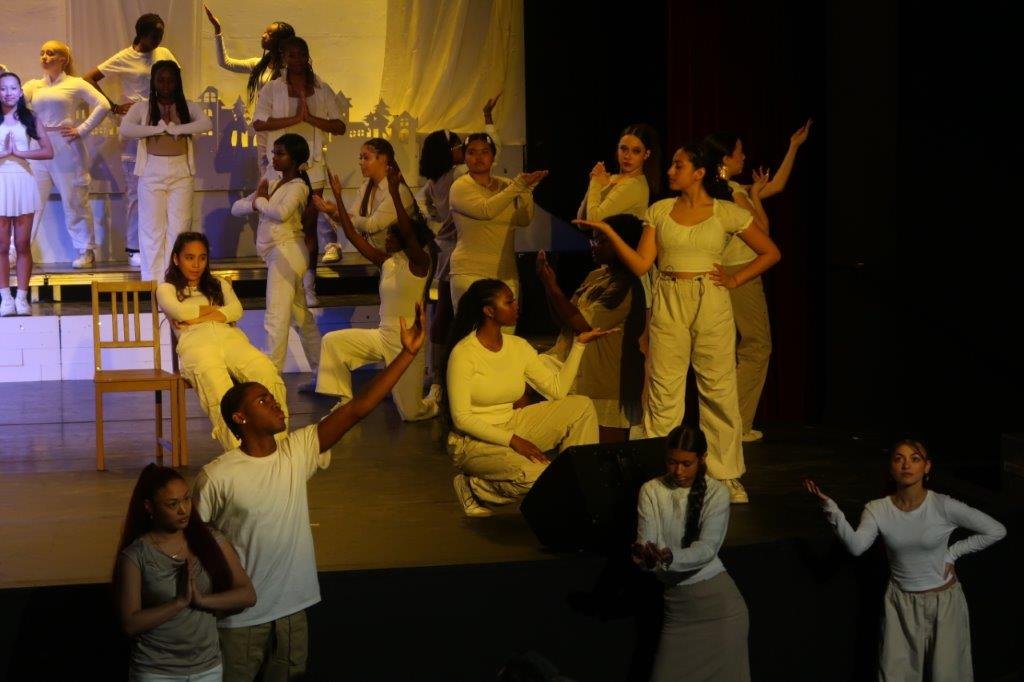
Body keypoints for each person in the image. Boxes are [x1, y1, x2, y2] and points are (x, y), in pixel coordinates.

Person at [192, 301, 428, 679]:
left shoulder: (297, 451)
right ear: (240, 418)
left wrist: (407, 354)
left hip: (292, 610)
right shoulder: (218, 476)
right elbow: (191, 539)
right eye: (262, 401)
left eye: (272, 396)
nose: (275, 403)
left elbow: (357, 409)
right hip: (242, 618)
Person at [574, 141, 782, 503]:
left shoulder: (725, 212)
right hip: (669, 297)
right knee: (663, 389)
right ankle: (662, 470)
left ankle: (726, 474)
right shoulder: (660, 211)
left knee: (718, 389)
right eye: (672, 165)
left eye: (678, 165)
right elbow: (641, 264)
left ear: (699, 173)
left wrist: (735, 280)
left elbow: (771, 252)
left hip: (710, 299)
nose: (670, 171)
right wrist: (608, 234)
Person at [805, 439, 1006, 681]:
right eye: (899, 458)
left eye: (915, 458)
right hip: (900, 604)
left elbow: (996, 530)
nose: (906, 465)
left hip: (943, 605)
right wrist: (831, 509)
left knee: (949, 676)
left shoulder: (943, 505)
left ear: (927, 467)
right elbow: (856, 547)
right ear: (891, 468)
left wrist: (953, 553)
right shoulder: (877, 509)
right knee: (895, 676)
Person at [443, 278, 607, 517]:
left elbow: (557, 390)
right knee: (541, 477)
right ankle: (474, 486)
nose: (516, 306)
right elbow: (461, 419)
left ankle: (574, 487)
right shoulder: (464, 354)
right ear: (489, 311)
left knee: (581, 406)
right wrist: (513, 440)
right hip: (472, 440)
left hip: (511, 424)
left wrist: (579, 345)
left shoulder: (518, 346)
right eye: (509, 302)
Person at [704, 120, 812, 442]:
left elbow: (776, 185)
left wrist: (793, 146)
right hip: (742, 275)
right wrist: (757, 200)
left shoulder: (720, 189)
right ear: (725, 158)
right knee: (757, 347)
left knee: (739, 348)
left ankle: (731, 423)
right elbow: (763, 235)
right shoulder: (734, 194)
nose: (744, 157)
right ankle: (734, 424)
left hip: (731, 273)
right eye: (739, 152)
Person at [313, 166, 439, 420]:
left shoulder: (419, 263)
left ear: (404, 238)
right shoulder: (387, 262)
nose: (387, 240)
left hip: (407, 344)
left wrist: (394, 191)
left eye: (392, 237)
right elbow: (351, 234)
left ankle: (434, 400)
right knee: (332, 342)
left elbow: (406, 229)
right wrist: (337, 197)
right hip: (383, 336)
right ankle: (345, 401)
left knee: (411, 414)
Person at [114, 463, 256, 681]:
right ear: (149, 507)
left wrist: (202, 600)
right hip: (157, 671)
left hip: (207, 668)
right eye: (173, 504)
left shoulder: (210, 540)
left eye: (187, 499)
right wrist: (179, 603)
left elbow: (247, 594)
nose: (184, 509)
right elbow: (130, 623)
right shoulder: (136, 555)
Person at [634, 425, 750, 681]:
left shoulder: (717, 493)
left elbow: (707, 549)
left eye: (687, 463)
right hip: (677, 611)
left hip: (719, 610)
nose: (678, 471)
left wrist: (670, 557)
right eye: (672, 462)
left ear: (703, 458)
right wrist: (647, 558)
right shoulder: (651, 491)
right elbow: (647, 541)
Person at [157, 231, 288, 450]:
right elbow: (179, 311)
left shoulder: (218, 284)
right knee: (219, 390)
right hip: (197, 345)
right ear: (176, 258)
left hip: (231, 339)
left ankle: (279, 446)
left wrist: (196, 315)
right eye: (189, 257)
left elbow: (236, 310)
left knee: (265, 371)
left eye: (202, 257)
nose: (196, 264)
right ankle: (239, 453)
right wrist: (216, 311)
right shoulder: (166, 289)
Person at [536, 213, 646, 442]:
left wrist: (552, 286)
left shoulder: (626, 286)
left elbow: (583, 326)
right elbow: (564, 320)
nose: (594, 246)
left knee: (603, 454)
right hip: (575, 370)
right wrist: (549, 288)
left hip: (604, 385)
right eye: (593, 240)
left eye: (601, 241)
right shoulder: (597, 275)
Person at [252, 36, 345, 306]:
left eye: (300, 54)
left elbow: (339, 126)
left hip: (312, 164)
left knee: (309, 224)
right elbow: (258, 123)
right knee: (279, 223)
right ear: (284, 58)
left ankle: (308, 286)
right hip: (280, 167)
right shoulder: (272, 89)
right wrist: (294, 119)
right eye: (290, 55)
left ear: (307, 56)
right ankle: (282, 282)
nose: (296, 59)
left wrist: (310, 119)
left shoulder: (321, 88)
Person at [84, 13, 178, 268]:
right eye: (152, 36)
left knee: (164, 188)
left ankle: (161, 245)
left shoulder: (165, 54)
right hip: (135, 129)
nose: (157, 41)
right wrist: (114, 107)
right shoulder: (125, 57)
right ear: (141, 33)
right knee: (136, 191)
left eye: (160, 36)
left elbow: (176, 83)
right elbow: (89, 77)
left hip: (162, 128)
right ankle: (134, 247)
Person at [418, 95, 501, 379]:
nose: (467, 153)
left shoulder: (434, 180)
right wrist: (488, 120)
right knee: (449, 312)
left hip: (443, 246)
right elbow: (492, 150)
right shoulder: (456, 178)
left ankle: (435, 367)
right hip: (455, 246)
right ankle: (443, 370)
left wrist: (434, 226)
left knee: (443, 311)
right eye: (460, 147)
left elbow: (423, 207)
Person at [230, 133, 321, 374]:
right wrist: (258, 201)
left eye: (280, 154)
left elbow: (280, 213)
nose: (274, 158)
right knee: (301, 318)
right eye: (273, 153)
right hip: (279, 254)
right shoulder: (273, 182)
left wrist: (259, 201)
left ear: (295, 158)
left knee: (276, 316)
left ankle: (271, 376)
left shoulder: (299, 187)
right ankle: (324, 373)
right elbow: (236, 208)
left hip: (287, 253)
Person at [119, 61, 211, 283]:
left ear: (177, 82)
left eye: (170, 79)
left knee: (179, 228)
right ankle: (153, 283)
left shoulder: (187, 106)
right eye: (161, 79)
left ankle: (174, 281)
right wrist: (155, 129)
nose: (166, 84)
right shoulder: (142, 107)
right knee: (151, 230)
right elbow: (126, 128)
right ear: (153, 81)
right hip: (151, 171)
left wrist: (178, 129)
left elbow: (205, 124)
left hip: (181, 172)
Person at [22, 40, 109, 269]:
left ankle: (85, 250)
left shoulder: (75, 83)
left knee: (74, 199)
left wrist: (81, 129)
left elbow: (103, 104)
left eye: (51, 53)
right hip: (39, 146)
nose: (45, 57)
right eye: (42, 53)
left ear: (63, 59)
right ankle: (18, 251)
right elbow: (15, 101)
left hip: (65, 147)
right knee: (30, 201)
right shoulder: (34, 86)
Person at [448, 133, 546, 315]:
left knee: (506, 333)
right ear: (464, 157)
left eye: (485, 152)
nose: (478, 157)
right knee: (472, 334)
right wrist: (518, 187)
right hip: (470, 272)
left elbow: (523, 219)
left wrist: (527, 191)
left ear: (493, 156)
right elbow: (486, 210)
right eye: (472, 152)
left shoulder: (506, 185)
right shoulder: (460, 186)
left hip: (505, 273)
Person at [203, 5, 294, 178]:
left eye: (269, 34)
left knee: (282, 172)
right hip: (263, 127)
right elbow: (226, 62)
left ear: (280, 41)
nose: (263, 35)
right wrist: (218, 30)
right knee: (265, 169)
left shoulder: (291, 69)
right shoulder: (259, 65)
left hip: (283, 127)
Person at [0, 71, 54, 317]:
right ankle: (5, 298)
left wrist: (20, 154)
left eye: (13, 88)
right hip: (1, 181)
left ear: (21, 91)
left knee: (22, 244)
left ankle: (22, 296)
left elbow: (48, 151)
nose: (8, 92)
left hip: (23, 181)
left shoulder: (29, 118)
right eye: (3, 88)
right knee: (1, 246)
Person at [577, 122, 660, 223]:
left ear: (646, 154)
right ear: (617, 149)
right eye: (623, 149)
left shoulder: (635, 185)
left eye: (636, 151)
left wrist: (595, 182)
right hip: (594, 239)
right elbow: (581, 222)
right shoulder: (612, 178)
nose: (627, 156)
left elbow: (593, 220)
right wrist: (594, 183)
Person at [347, 137, 419, 253]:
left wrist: (346, 217)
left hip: (401, 261)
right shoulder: (366, 186)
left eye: (366, 158)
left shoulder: (398, 191)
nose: (361, 162)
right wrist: (336, 213)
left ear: (383, 159)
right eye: (361, 158)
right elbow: (352, 215)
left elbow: (372, 225)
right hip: (377, 258)